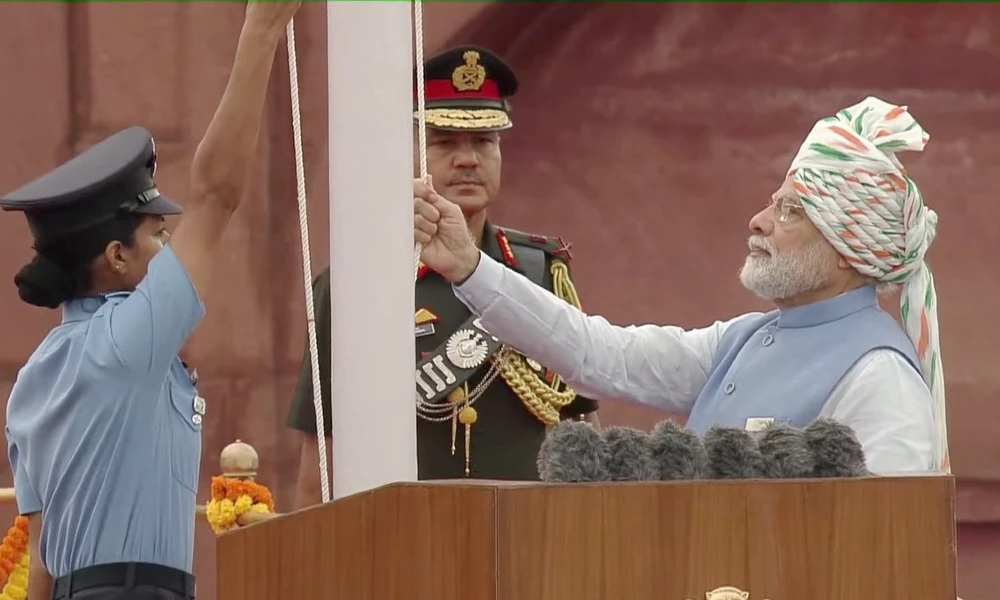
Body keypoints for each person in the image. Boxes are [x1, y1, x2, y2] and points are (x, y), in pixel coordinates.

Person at [413, 96, 947, 475]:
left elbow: (882, 553)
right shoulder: (742, 340)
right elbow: (600, 355)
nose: (759, 221)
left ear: (846, 248)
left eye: (789, 211)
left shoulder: (881, 379)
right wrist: (468, 265)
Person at [1, 3, 300, 599]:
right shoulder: (126, 341)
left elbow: (41, 568)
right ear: (116, 257)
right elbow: (217, 193)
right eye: (158, 236)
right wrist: (263, 27)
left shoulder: (38, 374)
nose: (172, 246)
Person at [287, 46, 600, 507]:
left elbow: (582, 431)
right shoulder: (357, 286)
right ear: (411, 155)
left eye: (484, 143)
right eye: (445, 143)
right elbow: (321, 463)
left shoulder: (541, 272)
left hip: (531, 540)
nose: (468, 160)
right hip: (406, 539)